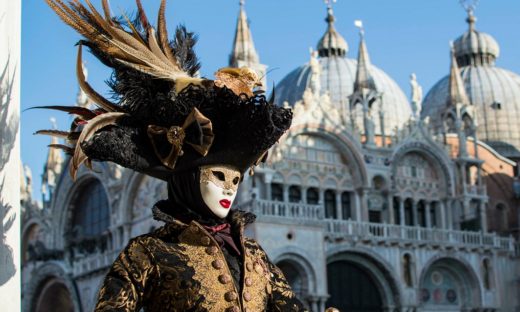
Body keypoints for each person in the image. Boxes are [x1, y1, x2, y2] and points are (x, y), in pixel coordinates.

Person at [41, 0, 312, 311]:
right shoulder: (149, 252)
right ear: (188, 180)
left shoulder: (254, 255)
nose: (229, 188)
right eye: (219, 176)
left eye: (236, 179)